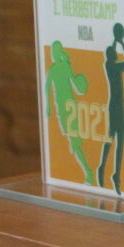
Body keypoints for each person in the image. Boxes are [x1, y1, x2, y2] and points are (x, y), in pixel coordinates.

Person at [44, 41, 94, 185]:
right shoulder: (53, 70)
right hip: (61, 107)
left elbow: (77, 85)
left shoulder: (65, 67)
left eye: (56, 51)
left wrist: (81, 80)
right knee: (73, 140)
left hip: (70, 106)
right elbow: (47, 87)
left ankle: (88, 171)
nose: (54, 54)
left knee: (75, 141)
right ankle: (86, 170)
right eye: (53, 51)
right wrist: (48, 106)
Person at [97, 23, 124, 195]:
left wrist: (116, 40)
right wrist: (121, 41)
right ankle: (102, 167)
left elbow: (117, 54)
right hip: (114, 106)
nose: (117, 53)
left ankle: (116, 174)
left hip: (119, 105)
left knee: (120, 141)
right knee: (111, 138)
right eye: (114, 52)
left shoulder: (112, 65)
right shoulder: (111, 66)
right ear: (111, 55)